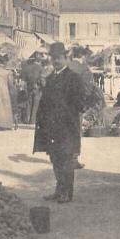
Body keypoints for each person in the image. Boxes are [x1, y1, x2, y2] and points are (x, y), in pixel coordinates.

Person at [34, 43, 86, 203]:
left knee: (67, 159)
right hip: (52, 127)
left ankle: (67, 193)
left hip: (67, 127)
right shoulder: (50, 78)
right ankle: (59, 190)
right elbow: (44, 103)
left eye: (59, 58)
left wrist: (66, 112)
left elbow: (80, 103)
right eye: (53, 58)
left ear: (66, 58)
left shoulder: (74, 78)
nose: (56, 61)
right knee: (55, 158)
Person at [22, 57, 45, 126]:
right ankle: (33, 120)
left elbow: (23, 80)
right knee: (36, 104)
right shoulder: (40, 67)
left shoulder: (26, 68)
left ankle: (27, 119)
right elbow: (43, 79)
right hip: (38, 88)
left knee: (28, 104)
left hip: (29, 88)